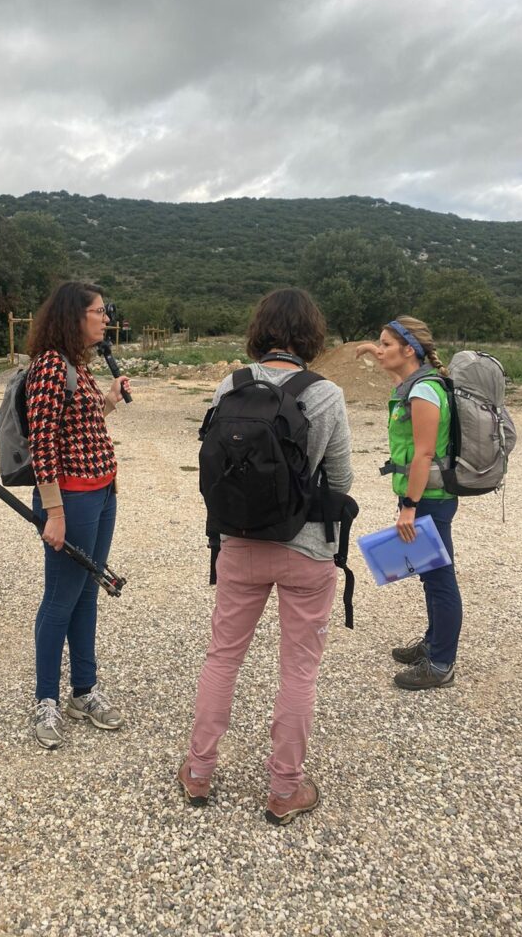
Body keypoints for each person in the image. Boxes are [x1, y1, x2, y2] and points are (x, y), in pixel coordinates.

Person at [179, 287, 353, 825]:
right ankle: (284, 789)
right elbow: (342, 481)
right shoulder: (326, 394)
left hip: (239, 544)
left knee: (223, 657)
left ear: (259, 331)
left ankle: (199, 772)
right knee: (298, 671)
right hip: (305, 553)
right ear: (310, 335)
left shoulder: (227, 385)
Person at [25, 282, 131, 749]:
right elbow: (43, 443)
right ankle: (45, 698)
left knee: (88, 590)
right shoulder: (50, 365)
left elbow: (82, 427)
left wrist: (108, 398)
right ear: (73, 317)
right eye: (96, 311)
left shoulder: (77, 367)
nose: (104, 317)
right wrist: (54, 512)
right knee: (60, 598)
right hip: (72, 501)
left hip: (101, 492)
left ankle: (83, 691)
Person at [356, 317, 462, 691]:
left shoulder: (424, 392)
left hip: (429, 497)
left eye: (386, 344)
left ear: (408, 350)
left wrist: (409, 506)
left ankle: (441, 663)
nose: (380, 349)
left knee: (439, 580)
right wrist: (374, 350)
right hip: (423, 497)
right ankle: (434, 645)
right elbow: (400, 383)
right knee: (430, 575)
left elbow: (424, 454)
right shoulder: (414, 384)